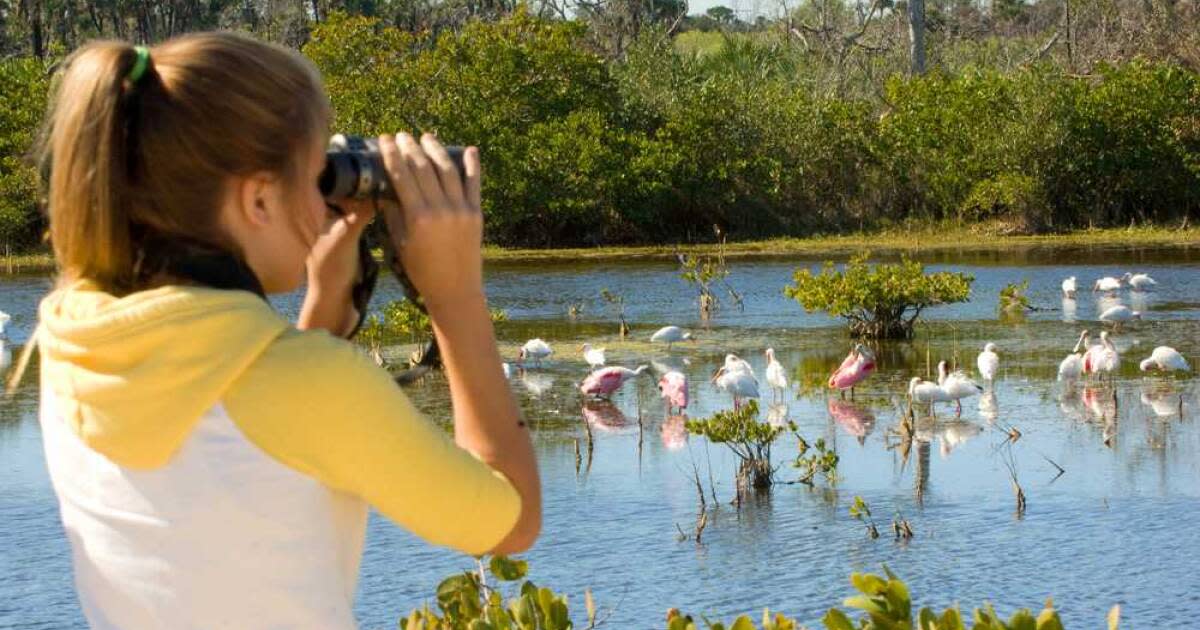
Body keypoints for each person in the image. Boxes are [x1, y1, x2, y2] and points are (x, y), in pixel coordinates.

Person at [34, 31, 540, 629]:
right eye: (312, 176)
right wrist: (455, 296)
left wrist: (326, 302)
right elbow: (509, 522)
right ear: (258, 201)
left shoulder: (73, 347)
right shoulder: (315, 385)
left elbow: (254, 461)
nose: (321, 198)